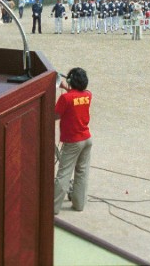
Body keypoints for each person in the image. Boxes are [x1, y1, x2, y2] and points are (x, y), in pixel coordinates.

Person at [54, 67, 93, 215]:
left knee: (63, 174)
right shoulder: (88, 95)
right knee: (82, 173)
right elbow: (76, 97)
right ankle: (79, 204)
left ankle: (53, 207)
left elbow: (55, 115)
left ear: (71, 81)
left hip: (72, 142)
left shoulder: (65, 98)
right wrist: (65, 87)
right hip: (86, 139)